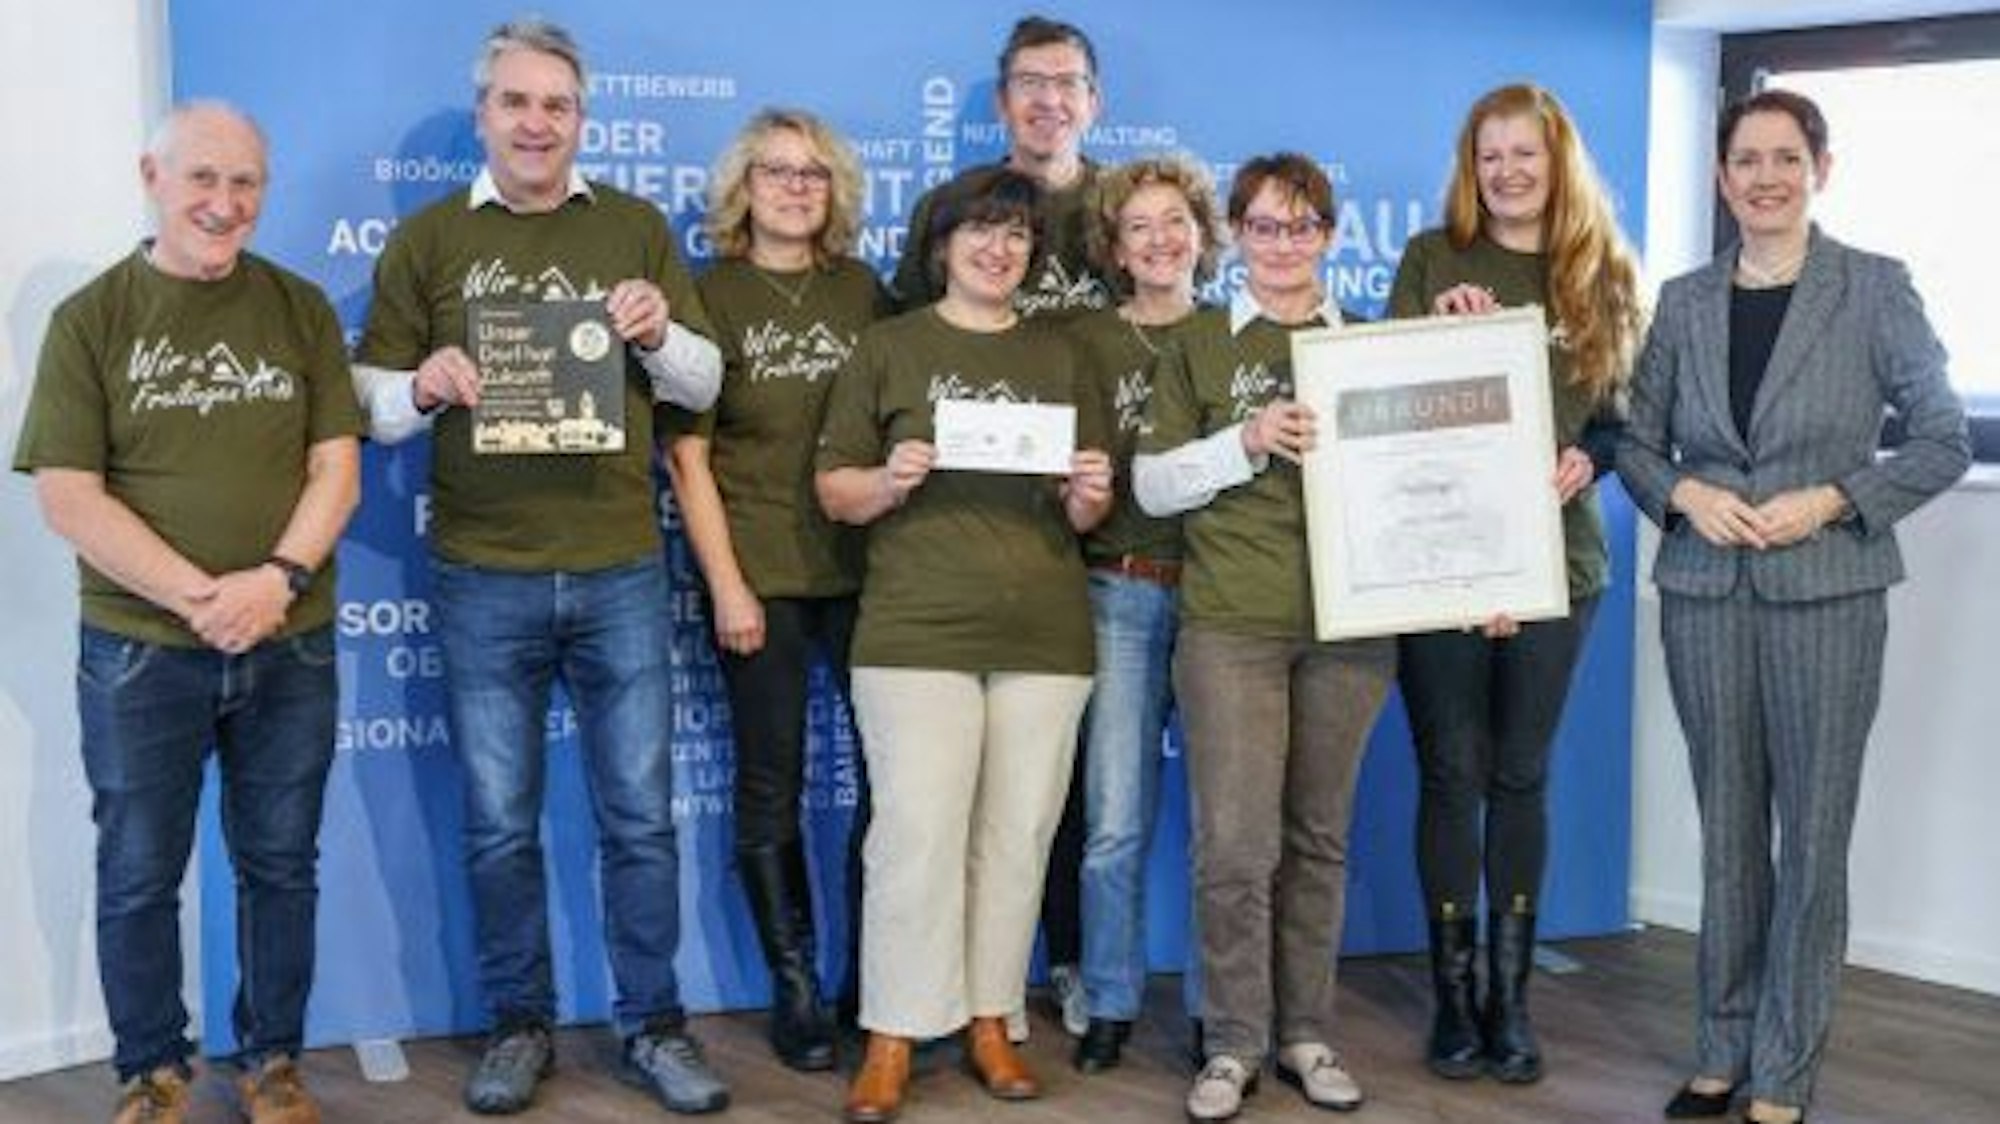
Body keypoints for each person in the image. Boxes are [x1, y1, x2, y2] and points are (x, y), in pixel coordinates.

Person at [350, 17, 728, 1117]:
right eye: (515, 102)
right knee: (499, 820)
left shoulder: (636, 227)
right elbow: (370, 408)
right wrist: (421, 385)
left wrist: (658, 334)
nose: (534, 122)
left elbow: (702, 386)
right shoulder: (425, 241)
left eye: (555, 105)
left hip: (617, 567)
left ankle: (653, 1026)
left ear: (580, 119)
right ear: (483, 115)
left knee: (639, 817)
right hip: (482, 574)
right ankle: (518, 1025)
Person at [1619, 89, 1967, 1124]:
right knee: (1726, 829)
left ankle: (1783, 1065)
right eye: (1743, 160)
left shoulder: (1872, 288)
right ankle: (1718, 1046)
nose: (1762, 177)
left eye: (1783, 158)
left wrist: (1833, 497)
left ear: (1820, 167)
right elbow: (1634, 442)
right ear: (1720, 177)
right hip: (1702, 593)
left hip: (1826, 591)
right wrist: (1683, 492)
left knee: (1810, 838)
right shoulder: (1679, 301)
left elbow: (1941, 435)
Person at [14, 102, 363, 1124]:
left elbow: (335, 469)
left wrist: (277, 581)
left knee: (279, 864)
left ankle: (272, 1063)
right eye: (203, 178)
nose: (224, 203)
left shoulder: (296, 307)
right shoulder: (91, 318)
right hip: (140, 650)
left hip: (289, 639)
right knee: (137, 867)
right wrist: (204, 597)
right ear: (152, 177)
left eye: (245, 182)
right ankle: (151, 1071)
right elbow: (68, 496)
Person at [816, 166, 1113, 1123]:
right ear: (941, 244)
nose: (1001, 249)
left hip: (1044, 632)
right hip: (916, 630)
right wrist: (890, 481)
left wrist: (1088, 491)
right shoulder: (888, 347)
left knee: (1018, 836)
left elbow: (1085, 512)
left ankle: (991, 1018)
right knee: (914, 837)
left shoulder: (1065, 354)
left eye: (1018, 236)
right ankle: (895, 1030)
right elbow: (835, 492)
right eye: (981, 231)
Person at [1386, 82, 1644, 1084]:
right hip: (1438, 557)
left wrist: (1594, 458)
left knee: (1519, 774)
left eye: (1522, 154)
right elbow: (1381, 407)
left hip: (1555, 564)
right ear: (1468, 163)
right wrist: (1431, 334)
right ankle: (1452, 1001)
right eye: (1487, 155)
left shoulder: (1605, 274)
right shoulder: (1427, 257)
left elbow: (1626, 421)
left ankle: (1510, 999)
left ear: (1556, 159)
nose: (1505, 172)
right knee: (1451, 770)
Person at [1133, 153, 1395, 1122]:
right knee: (1233, 844)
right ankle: (1232, 1039)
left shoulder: (1368, 346)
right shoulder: (1196, 343)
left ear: (1327, 236)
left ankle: (1305, 1031)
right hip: (1230, 624)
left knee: (1317, 839)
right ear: (1233, 235)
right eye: (1262, 226)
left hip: (1351, 629)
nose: (1281, 244)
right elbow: (1150, 483)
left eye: (1300, 226)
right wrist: (1241, 442)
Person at [665, 107, 886, 1072]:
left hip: (871, 576)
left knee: (895, 789)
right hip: (759, 576)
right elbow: (686, 459)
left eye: (813, 173)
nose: (796, 188)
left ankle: (872, 983)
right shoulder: (708, 296)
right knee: (771, 785)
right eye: (775, 171)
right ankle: (795, 990)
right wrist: (727, 585)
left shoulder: (867, 294)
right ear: (740, 188)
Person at [1064, 153, 1222, 1074]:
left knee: (1221, 824)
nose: (1161, 240)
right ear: (1116, 250)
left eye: (1177, 221)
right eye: (1140, 228)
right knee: (1116, 817)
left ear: (1204, 233)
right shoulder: (1085, 341)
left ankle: (1216, 1008)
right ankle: (1113, 997)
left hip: (1222, 597)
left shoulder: (1240, 332)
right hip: (1119, 588)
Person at [893, 14, 1111, 329]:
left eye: (1067, 82)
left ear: (1093, 104)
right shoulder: (944, 206)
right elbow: (910, 339)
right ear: (1002, 103)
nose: (1049, 100)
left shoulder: (1129, 209)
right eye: (1029, 82)